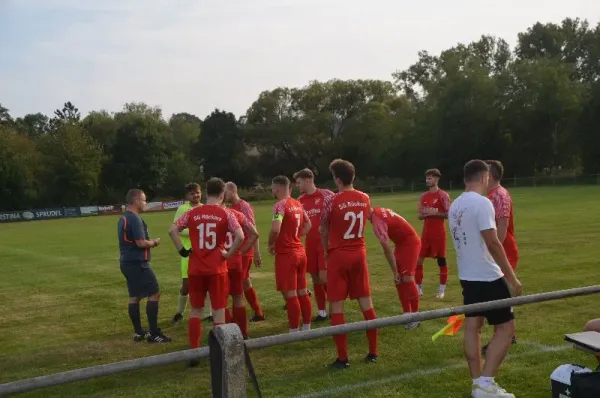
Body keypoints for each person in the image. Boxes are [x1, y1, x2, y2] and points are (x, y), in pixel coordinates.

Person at [449, 159, 522, 398]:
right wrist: (511, 278)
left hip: (467, 277)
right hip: (488, 276)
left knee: (473, 328)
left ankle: (478, 385)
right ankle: (486, 383)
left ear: (465, 178)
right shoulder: (482, 203)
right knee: (506, 328)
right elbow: (493, 242)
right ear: (485, 177)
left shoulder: (455, 204)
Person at [168, 178, 244, 367]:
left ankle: (194, 352)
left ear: (206, 192)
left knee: (196, 310)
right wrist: (228, 254)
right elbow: (240, 236)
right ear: (222, 194)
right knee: (218, 310)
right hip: (217, 268)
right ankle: (218, 353)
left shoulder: (193, 212)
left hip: (195, 268)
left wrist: (182, 251)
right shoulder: (225, 213)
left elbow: (172, 230)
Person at [321, 159, 378, 368]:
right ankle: (373, 352)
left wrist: (327, 254)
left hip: (339, 255)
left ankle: (343, 358)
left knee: (336, 306)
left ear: (337, 179)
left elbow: (324, 229)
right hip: (359, 253)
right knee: (366, 303)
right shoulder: (365, 197)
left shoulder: (332, 200)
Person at [117, 189, 171, 343]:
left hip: (126, 262)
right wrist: (154, 242)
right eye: (144, 200)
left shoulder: (122, 218)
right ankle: (154, 333)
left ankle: (139, 332)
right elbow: (140, 242)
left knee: (135, 296)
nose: (146, 203)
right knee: (154, 293)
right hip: (137, 262)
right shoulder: (134, 219)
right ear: (136, 201)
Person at [482, 160, 519, 353]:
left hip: (504, 251)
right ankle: (508, 334)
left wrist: (493, 253)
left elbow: (502, 229)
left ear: (490, 175)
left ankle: (504, 336)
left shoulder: (501, 195)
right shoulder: (489, 195)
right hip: (495, 251)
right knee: (500, 295)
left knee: (500, 296)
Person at [268, 175, 313, 333]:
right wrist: (297, 236)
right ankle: (307, 326)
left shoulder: (280, 205)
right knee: (302, 290)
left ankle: (294, 329)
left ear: (278, 188)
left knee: (291, 293)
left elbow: (275, 228)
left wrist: (270, 243)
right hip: (300, 252)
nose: (272, 191)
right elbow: (309, 224)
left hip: (287, 254)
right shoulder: (298, 204)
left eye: (273, 188)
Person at [369, 207, 421, 330]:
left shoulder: (377, 221)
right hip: (402, 243)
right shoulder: (378, 212)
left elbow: (387, 250)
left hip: (410, 243)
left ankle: (416, 315)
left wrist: (395, 271)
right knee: (399, 280)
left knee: (407, 278)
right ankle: (406, 314)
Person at [294, 168, 334, 322]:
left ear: (308, 180)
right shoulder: (299, 200)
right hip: (309, 245)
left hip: (324, 244)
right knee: (315, 278)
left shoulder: (327, 195)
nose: (298, 185)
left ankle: (334, 307)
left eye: (299, 182)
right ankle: (322, 312)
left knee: (325, 278)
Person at [224, 182, 265, 322]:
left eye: (225, 192)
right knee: (245, 282)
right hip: (239, 249)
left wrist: (256, 252)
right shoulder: (232, 207)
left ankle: (236, 319)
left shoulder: (244, 206)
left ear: (232, 191)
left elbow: (253, 230)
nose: (223, 195)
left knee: (237, 287)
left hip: (244, 251)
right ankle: (258, 312)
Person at [171, 183, 211, 325]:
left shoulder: (205, 208)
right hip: (188, 253)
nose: (196, 195)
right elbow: (178, 230)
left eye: (198, 192)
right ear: (187, 196)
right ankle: (180, 312)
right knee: (186, 284)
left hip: (204, 252)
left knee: (206, 283)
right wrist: (195, 232)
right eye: (192, 194)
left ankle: (208, 314)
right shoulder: (183, 209)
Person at [224, 207, 259, 339]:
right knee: (238, 297)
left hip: (221, 263)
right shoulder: (236, 214)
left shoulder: (212, 214)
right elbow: (254, 234)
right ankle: (243, 333)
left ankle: (229, 333)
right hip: (236, 262)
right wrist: (240, 252)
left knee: (221, 301)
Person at [416, 168, 451, 299]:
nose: (427, 180)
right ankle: (418, 288)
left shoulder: (443, 195)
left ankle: (441, 290)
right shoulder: (424, 196)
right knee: (418, 261)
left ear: (436, 179)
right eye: (426, 178)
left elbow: (449, 214)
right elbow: (419, 215)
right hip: (426, 234)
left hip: (438, 234)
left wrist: (435, 213)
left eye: (430, 178)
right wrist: (423, 215)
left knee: (441, 261)